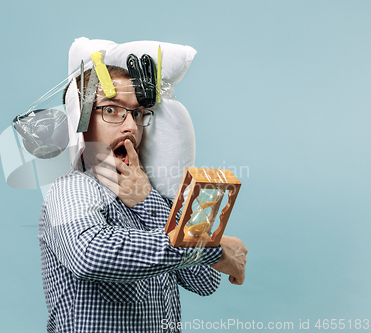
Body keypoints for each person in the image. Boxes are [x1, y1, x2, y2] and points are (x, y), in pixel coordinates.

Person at [38, 65, 248, 332]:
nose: (130, 127)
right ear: (79, 122)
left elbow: (205, 281)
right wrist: (210, 248)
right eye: (111, 110)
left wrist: (146, 200)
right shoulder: (70, 188)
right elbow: (90, 254)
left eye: (136, 113)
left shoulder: (149, 194)